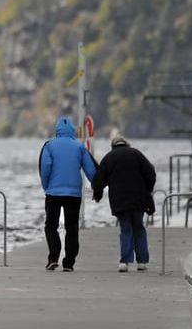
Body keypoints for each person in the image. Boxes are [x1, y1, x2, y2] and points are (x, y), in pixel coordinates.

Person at [92, 128, 157, 272]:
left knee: (126, 228)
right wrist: (148, 188)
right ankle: (142, 262)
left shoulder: (109, 157)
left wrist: (98, 194)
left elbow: (99, 180)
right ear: (126, 144)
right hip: (138, 199)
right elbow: (150, 173)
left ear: (113, 146)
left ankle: (125, 262)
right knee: (139, 227)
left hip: (119, 200)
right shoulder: (137, 154)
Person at [39, 116, 97, 272]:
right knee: (72, 227)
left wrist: (46, 187)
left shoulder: (49, 146)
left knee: (51, 226)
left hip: (53, 193)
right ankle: (69, 263)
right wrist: (96, 187)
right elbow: (90, 170)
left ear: (57, 131)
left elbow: (45, 168)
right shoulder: (79, 147)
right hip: (74, 194)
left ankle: (53, 257)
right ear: (73, 131)